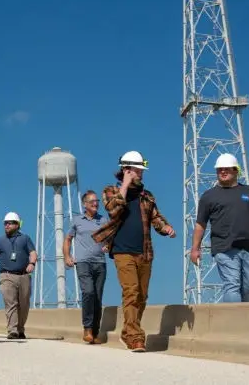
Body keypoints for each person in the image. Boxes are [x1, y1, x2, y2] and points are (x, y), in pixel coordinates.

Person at [90, 150, 176, 353]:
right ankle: (136, 338)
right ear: (126, 170)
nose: (141, 175)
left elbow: (156, 217)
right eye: (138, 171)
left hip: (144, 251)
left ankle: (128, 332)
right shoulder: (111, 191)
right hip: (122, 251)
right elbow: (113, 209)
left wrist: (166, 228)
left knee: (142, 296)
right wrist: (125, 185)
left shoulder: (147, 196)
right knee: (131, 291)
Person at [191, 153, 249, 303]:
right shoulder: (208, 196)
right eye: (219, 170)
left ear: (236, 170)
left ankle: (240, 313)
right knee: (232, 285)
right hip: (224, 248)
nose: (223, 172)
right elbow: (201, 224)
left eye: (227, 169)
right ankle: (234, 319)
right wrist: (195, 248)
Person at [65, 190, 109, 344]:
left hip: (100, 263)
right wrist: (67, 256)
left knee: (97, 297)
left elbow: (109, 237)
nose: (96, 203)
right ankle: (87, 328)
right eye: (92, 202)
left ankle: (95, 332)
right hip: (83, 262)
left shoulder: (103, 220)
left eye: (97, 201)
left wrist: (108, 245)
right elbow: (68, 239)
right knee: (88, 292)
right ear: (85, 204)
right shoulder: (77, 220)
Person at [0, 211, 35, 339]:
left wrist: (32, 263)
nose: (7, 225)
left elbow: (33, 253)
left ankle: (20, 328)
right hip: (6, 276)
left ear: (17, 225)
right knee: (10, 303)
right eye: (5, 223)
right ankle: (12, 330)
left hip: (23, 276)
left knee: (24, 305)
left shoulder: (25, 238)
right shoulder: (0, 240)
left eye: (10, 223)